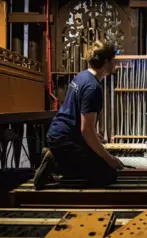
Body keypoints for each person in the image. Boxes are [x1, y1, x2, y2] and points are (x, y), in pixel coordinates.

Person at [34, 41, 124, 190]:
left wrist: (94, 137)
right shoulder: (92, 88)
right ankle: (57, 162)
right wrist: (109, 158)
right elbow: (86, 130)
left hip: (58, 134)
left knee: (95, 159)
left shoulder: (82, 76)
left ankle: (57, 156)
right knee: (108, 175)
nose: (115, 64)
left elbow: (80, 121)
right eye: (113, 60)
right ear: (107, 61)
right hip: (66, 140)